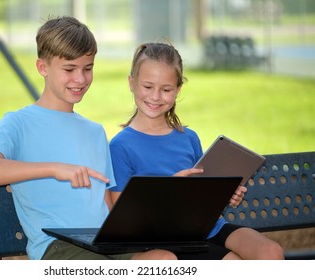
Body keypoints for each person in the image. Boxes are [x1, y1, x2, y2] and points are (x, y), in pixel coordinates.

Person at [0, 16, 177, 261]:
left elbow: (108, 206)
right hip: (57, 248)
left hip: (104, 244)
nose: (80, 79)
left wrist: (168, 192)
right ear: (43, 68)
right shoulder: (18, 123)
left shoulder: (95, 132)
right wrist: (54, 169)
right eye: (69, 69)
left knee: (164, 260)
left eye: (87, 68)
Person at [109, 42, 284, 260]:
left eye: (166, 89)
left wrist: (222, 194)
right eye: (147, 86)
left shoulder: (188, 138)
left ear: (177, 90)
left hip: (209, 228)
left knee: (270, 252)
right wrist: (169, 191)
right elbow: (121, 217)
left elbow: (203, 198)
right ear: (131, 83)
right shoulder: (120, 146)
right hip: (165, 238)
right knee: (233, 264)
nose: (155, 96)